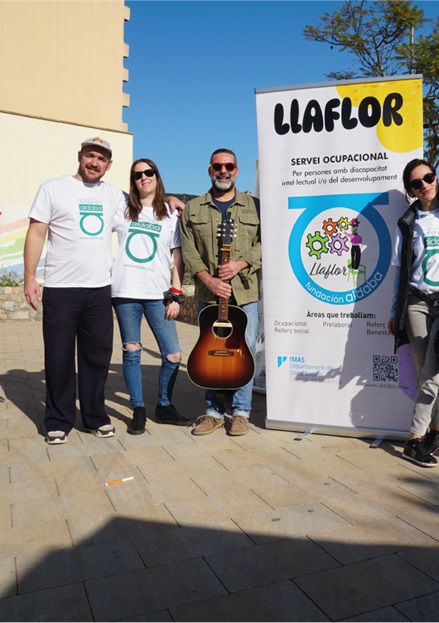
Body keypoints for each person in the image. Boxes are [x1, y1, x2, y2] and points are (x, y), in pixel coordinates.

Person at [24, 137, 184, 445]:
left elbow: (147, 198)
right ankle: (58, 420)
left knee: (97, 357)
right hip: (60, 287)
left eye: (102, 158)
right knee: (58, 358)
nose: (94, 162)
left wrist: (172, 198)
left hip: (99, 288)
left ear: (109, 165)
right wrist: (30, 277)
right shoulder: (52, 188)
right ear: (80, 156)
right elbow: (36, 232)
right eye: (90, 155)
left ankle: (95, 416)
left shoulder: (115, 196)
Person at [179, 148, 261, 437]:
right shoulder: (194, 209)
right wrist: (208, 280)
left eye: (229, 166)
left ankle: (241, 412)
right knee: (211, 352)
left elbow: (266, 243)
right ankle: (213, 412)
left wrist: (242, 262)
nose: (223, 171)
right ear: (210, 170)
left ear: (237, 171)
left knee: (244, 350)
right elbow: (189, 251)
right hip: (210, 295)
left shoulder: (255, 207)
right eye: (217, 166)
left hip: (245, 293)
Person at [389, 159, 439, 468]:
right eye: (416, 184)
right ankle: (434, 430)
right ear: (410, 190)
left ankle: (414, 439)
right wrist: (395, 310)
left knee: (432, 373)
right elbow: (400, 271)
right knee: (427, 373)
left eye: (428, 178)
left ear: (437, 177)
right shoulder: (408, 223)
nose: (424, 186)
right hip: (417, 303)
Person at [112, 159, 192, 435]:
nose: (143, 177)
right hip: (124, 293)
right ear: (132, 180)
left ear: (157, 176)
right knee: (131, 352)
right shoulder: (121, 209)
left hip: (158, 295)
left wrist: (176, 294)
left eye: (149, 172)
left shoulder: (170, 215)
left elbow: (177, 258)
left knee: (173, 354)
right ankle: (138, 410)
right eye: (137, 175)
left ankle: (164, 405)